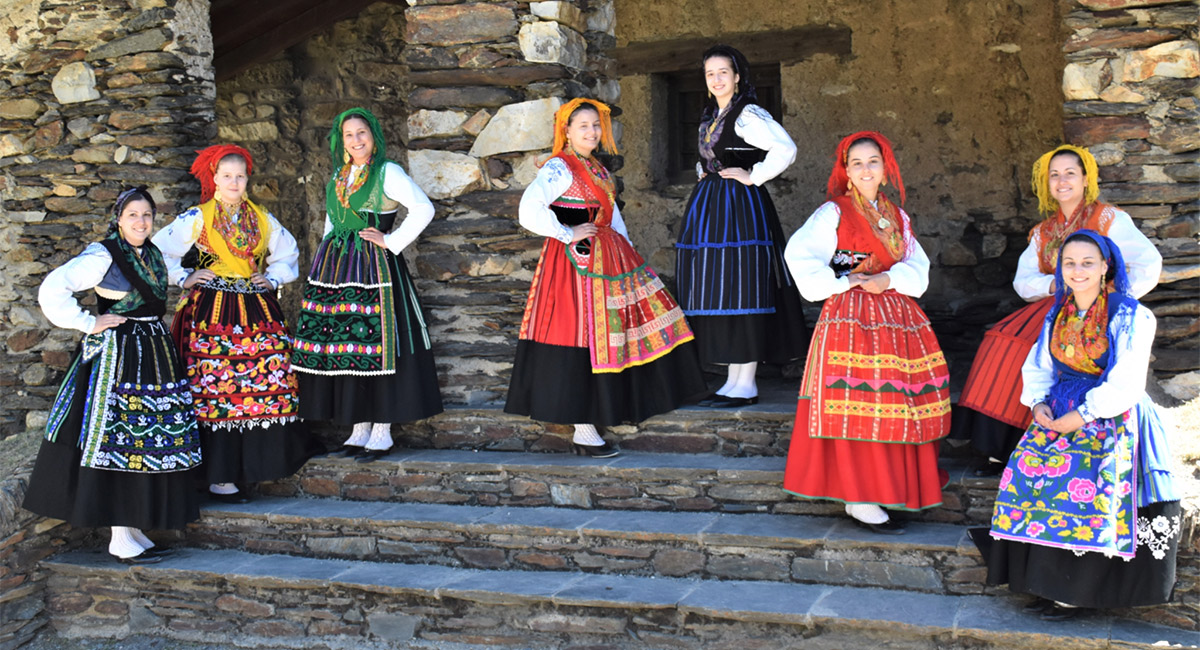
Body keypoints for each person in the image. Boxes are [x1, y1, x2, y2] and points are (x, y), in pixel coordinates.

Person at [971, 231, 1180, 621]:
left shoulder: (1131, 314)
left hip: (1110, 417)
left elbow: (1127, 381)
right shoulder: (1058, 313)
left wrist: (1084, 415)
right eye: (1069, 263)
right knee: (1031, 485)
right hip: (1057, 414)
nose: (1078, 271)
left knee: (1090, 496)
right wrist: (1036, 403)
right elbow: (1039, 366)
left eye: (1088, 263)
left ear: (1106, 268)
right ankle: (1044, 583)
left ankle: (1076, 591)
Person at [505, 98, 708, 456]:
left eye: (596, 125)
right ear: (565, 131)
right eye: (583, 125)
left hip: (611, 259)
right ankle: (583, 428)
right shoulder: (558, 168)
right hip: (574, 267)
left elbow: (611, 217)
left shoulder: (597, 168)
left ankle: (618, 406)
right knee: (581, 334)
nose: (592, 132)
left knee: (621, 329)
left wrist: (629, 253)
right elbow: (528, 210)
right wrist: (568, 234)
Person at [951, 145, 1161, 476]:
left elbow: (1148, 264)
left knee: (1026, 347)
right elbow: (1024, 281)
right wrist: (1057, 284)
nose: (1062, 181)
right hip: (1056, 306)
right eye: (1054, 175)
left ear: (1085, 178)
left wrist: (1111, 300)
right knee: (1001, 341)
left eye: (1070, 173)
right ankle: (997, 446)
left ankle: (1029, 440)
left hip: (1096, 306)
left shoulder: (1109, 219)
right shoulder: (1044, 231)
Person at [23, 187, 203, 564]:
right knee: (121, 435)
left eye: (147, 215)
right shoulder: (102, 254)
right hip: (119, 355)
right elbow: (53, 289)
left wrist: (189, 277)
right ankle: (119, 535)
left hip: (153, 349)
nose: (141, 221)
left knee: (150, 437)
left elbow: (165, 278)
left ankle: (134, 528)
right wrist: (88, 322)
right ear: (118, 218)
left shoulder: (152, 252)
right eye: (133, 215)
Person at [782, 132, 950, 533]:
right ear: (846, 171)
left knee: (899, 403)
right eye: (856, 163)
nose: (865, 169)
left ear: (886, 168)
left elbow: (917, 266)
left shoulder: (896, 216)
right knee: (860, 403)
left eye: (872, 161)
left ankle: (894, 487)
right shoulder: (833, 213)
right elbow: (801, 255)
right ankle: (859, 497)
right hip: (851, 318)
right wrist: (851, 279)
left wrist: (888, 277)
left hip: (896, 317)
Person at [153, 144, 319, 503]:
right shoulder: (196, 217)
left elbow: (287, 253)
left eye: (239, 176)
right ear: (213, 179)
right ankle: (220, 476)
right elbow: (157, 249)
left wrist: (273, 278)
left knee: (272, 375)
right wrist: (183, 276)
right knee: (215, 386)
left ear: (247, 179)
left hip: (256, 308)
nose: (234, 181)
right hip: (210, 311)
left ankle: (260, 464)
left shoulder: (261, 217)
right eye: (226, 176)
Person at [291, 107, 444, 462]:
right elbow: (332, 224)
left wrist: (391, 241)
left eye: (362, 132)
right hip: (337, 269)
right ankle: (358, 426)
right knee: (346, 346)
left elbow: (423, 208)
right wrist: (322, 265)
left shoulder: (387, 173)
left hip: (376, 269)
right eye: (349, 135)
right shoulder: (337, 178)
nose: (356, 140)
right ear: (341, 142)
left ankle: (382, 429)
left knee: (376, 344)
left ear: (373, 137)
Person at [675, 44, 807, 407]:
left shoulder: (747, 114)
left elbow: (786, 149)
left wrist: (754, 177)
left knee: (743, 284)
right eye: (710, 74)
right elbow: (716, 156)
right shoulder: (711, 115)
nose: (716, 79)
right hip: (712, 207)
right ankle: (732, 379)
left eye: (723, 72)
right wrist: (706, 170)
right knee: (720, 288)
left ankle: (746, 381)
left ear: (736, 77)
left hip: (740, 210)